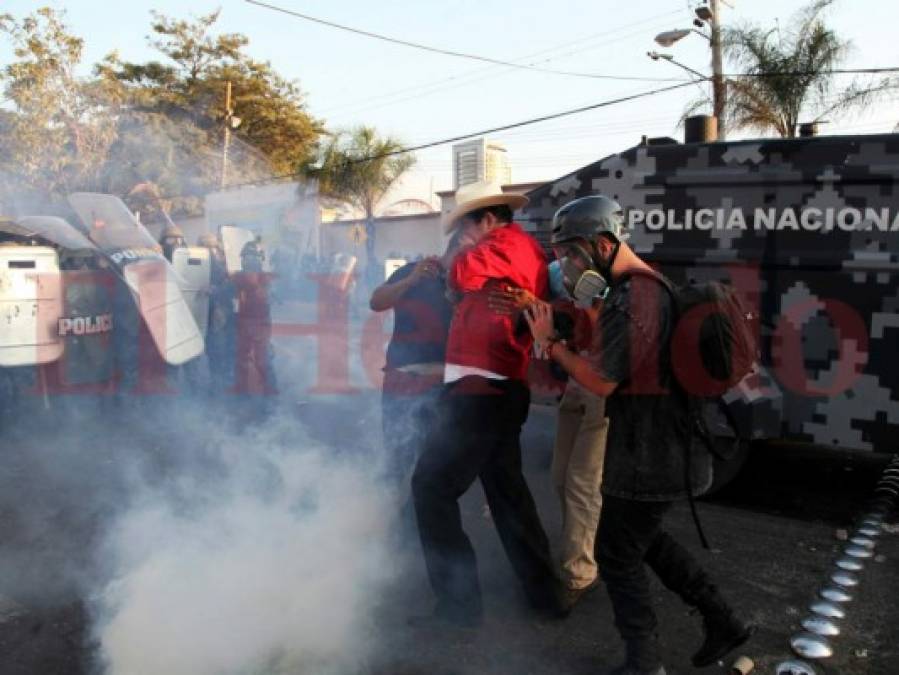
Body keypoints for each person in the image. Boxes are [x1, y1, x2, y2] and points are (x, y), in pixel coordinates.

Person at [523, 195, 753, 675]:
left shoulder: (635, 296)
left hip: (653, 451)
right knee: (642, 540)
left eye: (571, 253)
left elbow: (603, 380)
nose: (565, 265)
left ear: (603, 244)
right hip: (654, 445)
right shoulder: (635, 291)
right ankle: (722, 621)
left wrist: (550, 345)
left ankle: (645, 662)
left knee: (616, 550)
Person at [410, 180, 563, 629]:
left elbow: (457, 275)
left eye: (465, 226)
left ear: (488, 219)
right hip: (492, 387)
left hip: (484, 390)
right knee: (507, 494)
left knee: (432, 488)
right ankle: (543, 595)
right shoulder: (511, 247)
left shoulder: (506, 243)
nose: (460, 237)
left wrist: (461, 252)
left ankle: (459, 608)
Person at [369, 234, 462, 490]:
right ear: (457, 248)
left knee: (434, 464)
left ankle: (421, 524)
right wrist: (410, 281)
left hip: (444, 384)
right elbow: (376, 301)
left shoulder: (466, 283)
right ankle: (394, 523)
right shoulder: (414, 271)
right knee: (398, 458)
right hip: (402, 380)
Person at [232, 240, 277, 416]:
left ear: (259, 259)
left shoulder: (263, 278)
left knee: (262, 361)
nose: (249, 260)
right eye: (247, 257)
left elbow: (251, 283)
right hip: (242, 323)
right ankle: (242, 395)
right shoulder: (238, 277)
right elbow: (228, 289)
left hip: (260, 324)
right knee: (241, 361)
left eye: (253, 257)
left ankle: (271, 397)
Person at [197, 232, 236, 399]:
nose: (211, 252)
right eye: (207, 248)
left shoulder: (226, 265)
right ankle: (218, 388)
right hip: (207, 313)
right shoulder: (197, 263)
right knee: (215, 352)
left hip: (222, 312)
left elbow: (230, 287)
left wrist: (215, 292)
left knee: (221, 352)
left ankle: (222, 389)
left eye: (213, 248)